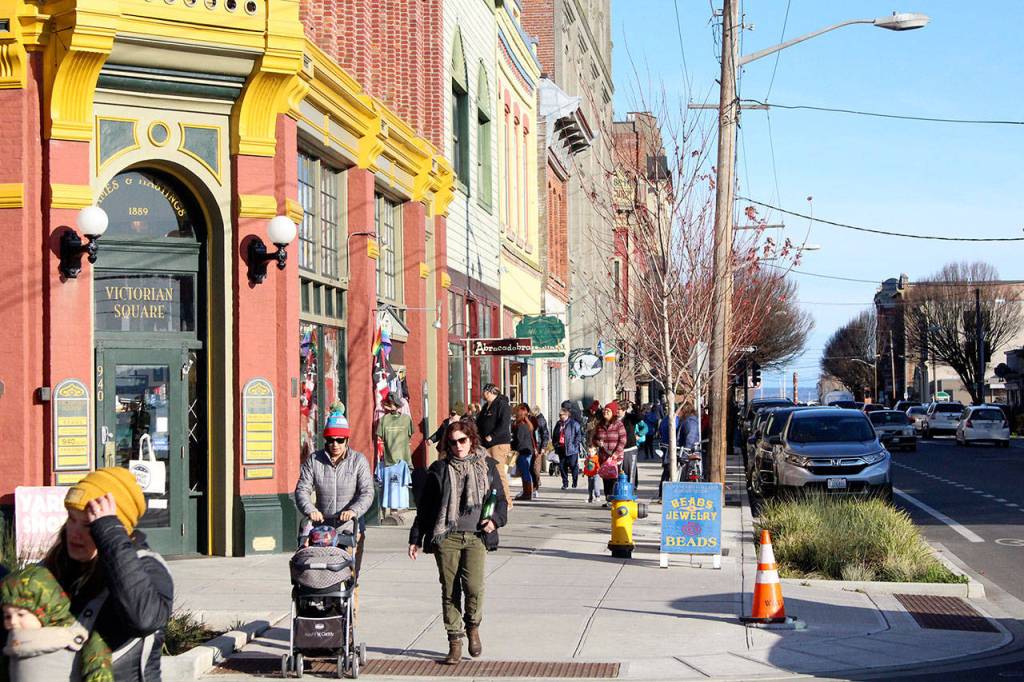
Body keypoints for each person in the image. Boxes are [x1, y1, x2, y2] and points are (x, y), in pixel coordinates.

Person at [39, 468, 173, 680]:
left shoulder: (149, 567)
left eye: (88, 525)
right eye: (71, 519)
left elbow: (144, 619)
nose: (74, 533)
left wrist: (109, 533)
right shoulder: (58, 563)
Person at [408, 418, 508, 665]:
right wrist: (415, 538)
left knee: (473, 587)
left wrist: (494, 520)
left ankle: (472, 626)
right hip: (447, 536)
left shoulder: (487, 466)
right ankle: (454, 641)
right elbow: (426, 507)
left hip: (476, 535)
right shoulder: (440, 469)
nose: (458, 446)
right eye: (452, 443)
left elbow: (502, 502)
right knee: (449, 589)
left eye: (462, 440)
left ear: (471, 440)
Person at [2, 564, 113, 681]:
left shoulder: (79, 637)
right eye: (7, 616)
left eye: (21, 614)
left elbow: (98, 671)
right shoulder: (12, 646)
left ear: (44, 610)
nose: (13, 622)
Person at [295, 411, 374, 574]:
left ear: (347, 440)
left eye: (340, 440)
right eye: (331, 440)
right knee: (320, 573)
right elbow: (302, 489)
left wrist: (353, 511)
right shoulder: (314, 460)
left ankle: (352, 597)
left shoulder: (358, 461)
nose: (335, 444)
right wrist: (311, 510)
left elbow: (367, 492)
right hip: (322, 530)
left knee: (350, 576)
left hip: (350, 527)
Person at [475, 384, 513, 508]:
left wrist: (492, 435)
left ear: (489, 392)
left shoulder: (502, 405)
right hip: (486, 445)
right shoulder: (486, 406)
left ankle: (507, 502)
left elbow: (504, 424)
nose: (482, 394)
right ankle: (493, 498)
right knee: (488, 473)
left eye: (484, 391)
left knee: (499, 473)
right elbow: (479, 423)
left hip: (498, 444)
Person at [592, 401, 627, 507]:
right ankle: (608, 499)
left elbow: (623, 440)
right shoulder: (600, 424)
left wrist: (616, 453)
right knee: (605, 477)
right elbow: (594, 439)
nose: (605, 412)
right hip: (603, 456)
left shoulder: (618, 424)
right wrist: (598, 443)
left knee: (614, 478)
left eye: (608, 411)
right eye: (604, 410)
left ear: (613, 413)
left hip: (615, 457)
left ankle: (614, 499)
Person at [551, 406, 583, 489]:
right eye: (559, 415)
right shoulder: (558, 424)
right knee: (562, 467)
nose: (560, 416)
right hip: (561, 448)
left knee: (573, 466)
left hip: (571, 449)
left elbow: (579, 435)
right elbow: (554, 435)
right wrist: (555, 444)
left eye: (562, 415)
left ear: (566, 415)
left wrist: (575, 444)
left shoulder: (574, 423)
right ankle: (565, 483)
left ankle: (574, 482)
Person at [511, 403, 536, 501]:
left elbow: (519, 440)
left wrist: (511, 444)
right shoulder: (527, 425)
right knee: (527, 472)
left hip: (522, 451)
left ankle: (527, 493)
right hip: (528, 450)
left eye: (516, 414)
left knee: (525, 472)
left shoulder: (521, 426)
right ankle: (528, 492)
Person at [530, 406, 549, 497]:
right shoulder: (535, 420)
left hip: (538, 446)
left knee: (535, 467)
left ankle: (535, 486)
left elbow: (545, 434)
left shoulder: (540, 421)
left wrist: (543, 447)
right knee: (534, 467)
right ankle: (535, 484)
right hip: (535, 446)